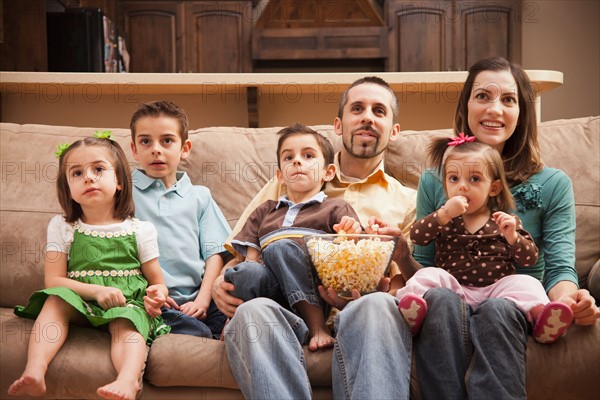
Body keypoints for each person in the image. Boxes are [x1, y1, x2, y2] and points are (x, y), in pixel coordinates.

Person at [213, 76, 420, 399]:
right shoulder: (291, 180)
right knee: (250, 313)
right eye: (358, 108)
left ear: (393, 131)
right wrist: (218, 284)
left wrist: (376, 286)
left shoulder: (409, 200)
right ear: (338, 124)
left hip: (361, 310)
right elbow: (243, 251)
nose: (367, 116)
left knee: (379, 305)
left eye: (379, 110)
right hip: (284, 308)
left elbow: (403, 286)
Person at [408, 57, 600, 399]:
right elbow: (422, 259)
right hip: (450, 303)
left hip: (511, 304)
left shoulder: (553, 183)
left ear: (521, 112)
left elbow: (558, 267)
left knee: (498, 309)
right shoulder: (434, 180)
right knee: (438, 296)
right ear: (466, 105)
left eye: (508, 100)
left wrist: (572, 300)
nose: (494, 109)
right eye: (483, 96)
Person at [8, 134, 169, 400]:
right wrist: (95, 292)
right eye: (77, 173)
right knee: (55, 301)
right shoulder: (62, 227)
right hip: (80, 302)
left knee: (126, 324)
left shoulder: (141, 230)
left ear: (118, 181)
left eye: (98, 169)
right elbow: (53, 281)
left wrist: (157, 295)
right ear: (67, 187)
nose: (88, 177)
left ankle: (128, 381)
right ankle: (34, 371)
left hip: (125, 304)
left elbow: (157, 281)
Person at [396, 138, 573, 344]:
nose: (462, 187)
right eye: (454, 179)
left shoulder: (505, 221)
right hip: (454, 291)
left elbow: (529, 259)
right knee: (429, 274)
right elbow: (418, 237)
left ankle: (541, 318)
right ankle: (412, 309)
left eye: (474, 179)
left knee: (528, 283)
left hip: (496, 293)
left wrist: (513, 237)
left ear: (494, 188)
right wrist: (443, 213)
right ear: (445, 185)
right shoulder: (444, 218)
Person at [224, 123, 362, 351]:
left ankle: (316, 325)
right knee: (244, 271)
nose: (297, 161)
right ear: (280, 176)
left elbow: (354, 249)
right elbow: (251, 257)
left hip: (312, 285)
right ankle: (251, 323)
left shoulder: (335, 207)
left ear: (328, 172)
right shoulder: (265, 210)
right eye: (289, 158)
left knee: (281, 248)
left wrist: (351, 229)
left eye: (308, 156)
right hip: (272, 288)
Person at [130, 100, 230, 339]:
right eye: (145, 141)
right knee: (197, 332)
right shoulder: (123, 193)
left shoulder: (200, 196)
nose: (156, 149)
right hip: (155, 302)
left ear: (184, 148)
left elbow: (214, 254)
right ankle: (204, 334)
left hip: (202, 297)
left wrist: (204, 300)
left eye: (167, 141)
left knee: (242, 309)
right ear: (134, 149)